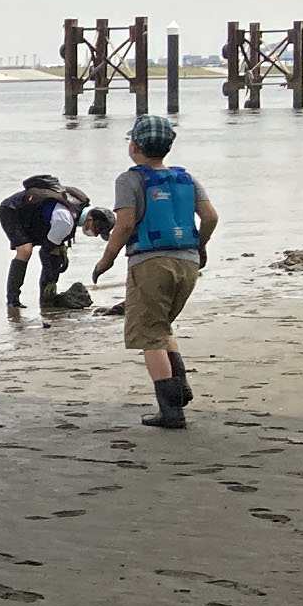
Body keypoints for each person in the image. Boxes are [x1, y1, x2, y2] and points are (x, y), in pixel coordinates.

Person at [89, 114, 219, 430]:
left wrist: (105, 261)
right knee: (162, 327)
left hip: (150, 263)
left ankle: (171, 410)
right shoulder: (186, 179)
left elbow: (124, 225)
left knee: (149, 335)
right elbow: (211, 217)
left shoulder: (129, 180)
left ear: (134, 146)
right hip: (187, 262)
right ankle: (180, 386)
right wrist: (198, 247)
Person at [0, 174, 93, 310]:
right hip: (12, 210)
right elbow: (45, 251)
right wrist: (50, 278)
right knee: (25, 250)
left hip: (35, 217)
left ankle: (47, 299)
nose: (95, 234)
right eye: (97, 230)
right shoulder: (66, 220)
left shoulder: (78, 207)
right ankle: (13, 300)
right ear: (90, 219)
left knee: (56, 248)